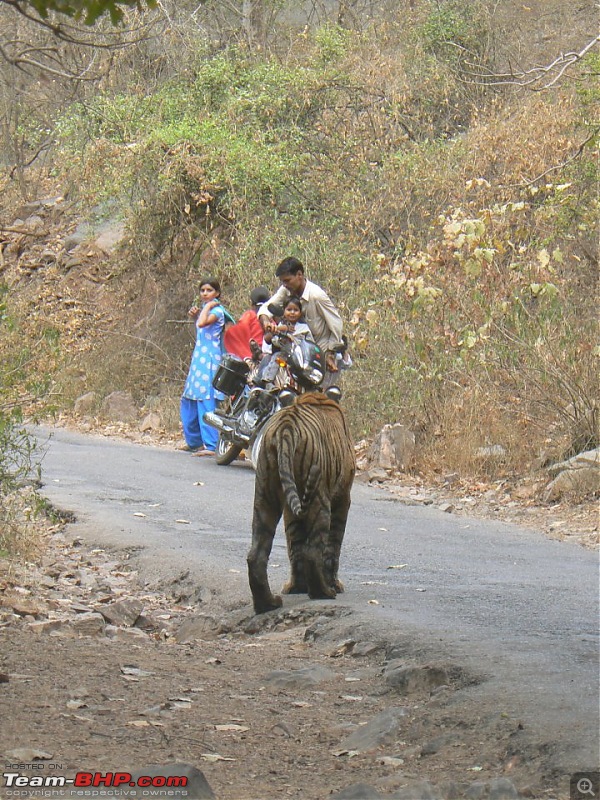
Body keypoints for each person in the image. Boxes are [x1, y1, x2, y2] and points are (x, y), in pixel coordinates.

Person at [258, 256, 344, 389]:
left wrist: (330, 353)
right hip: (297, 355)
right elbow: (266, 307)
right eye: (282, 282)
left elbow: (336, 324)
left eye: (287, 280)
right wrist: (266, 322)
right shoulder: (286, 290)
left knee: (315, 398)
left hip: (318, 354)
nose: (285, 284)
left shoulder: (316, 295)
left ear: (299, 275)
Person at [180, 277, 227, 456]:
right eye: (203, 291)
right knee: (190, 400)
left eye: (209, 290)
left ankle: (211, 444)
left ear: (217, 293)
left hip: (209, 360)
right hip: (198, 360)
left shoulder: (219, 311)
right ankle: (195, 441)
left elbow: (203, 324)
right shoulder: (207, 312)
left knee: (206, 401)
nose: (205, 294)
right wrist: (196, 315)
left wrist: (207, 307)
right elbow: (200, 329)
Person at [223, 286, 270, 361]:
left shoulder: (249, 315)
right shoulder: (270, 316)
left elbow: (241, 328)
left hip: (249, 353)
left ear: (252, 304)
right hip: (265, 353)